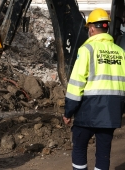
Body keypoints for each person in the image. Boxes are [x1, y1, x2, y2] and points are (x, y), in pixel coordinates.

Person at [63, 8, 125, 170]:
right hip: (111, 113)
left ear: (91, 28)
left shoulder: (87, 50)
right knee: (103, 153)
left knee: (79, 147)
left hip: (87, 112)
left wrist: (68, 112)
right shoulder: (120, 52)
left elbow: (76, 84)